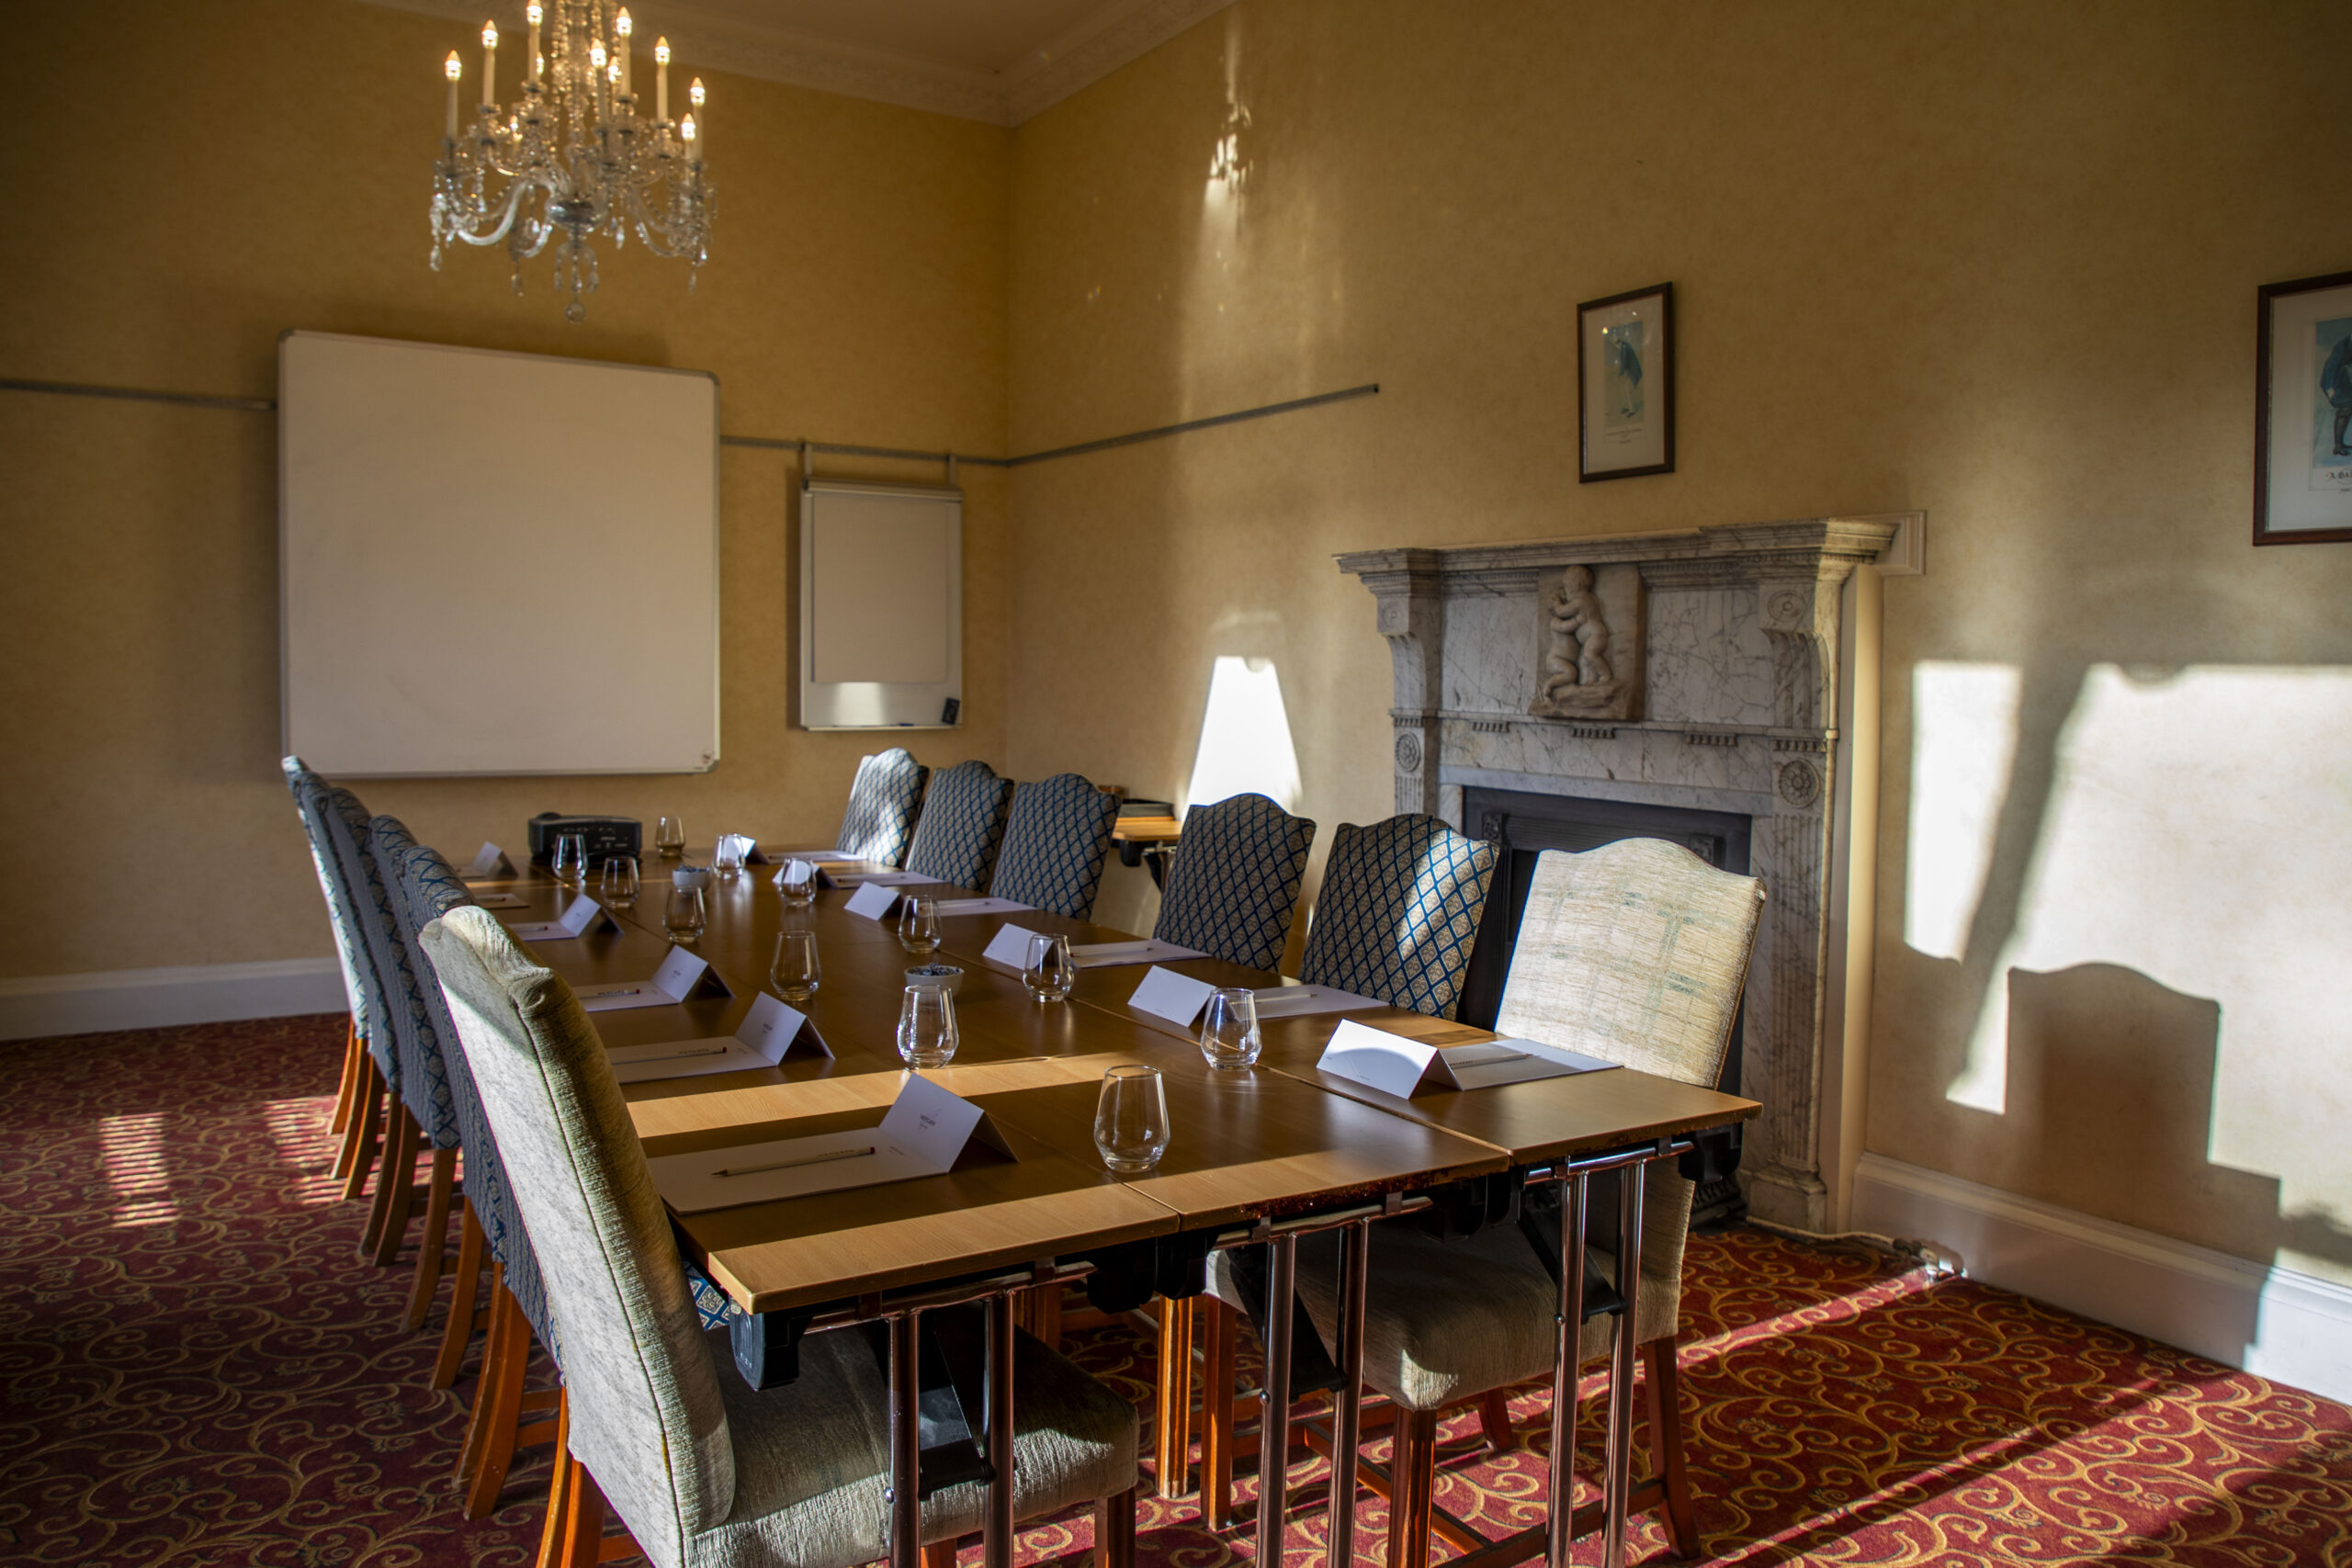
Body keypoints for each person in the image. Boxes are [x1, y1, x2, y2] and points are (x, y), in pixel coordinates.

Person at [2324, 330, 2352, 459]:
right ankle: (2338, 446)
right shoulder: (2342, 346)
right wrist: (2329, 388)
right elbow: (2330, 367)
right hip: (2342, 385)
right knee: (2344, 413)